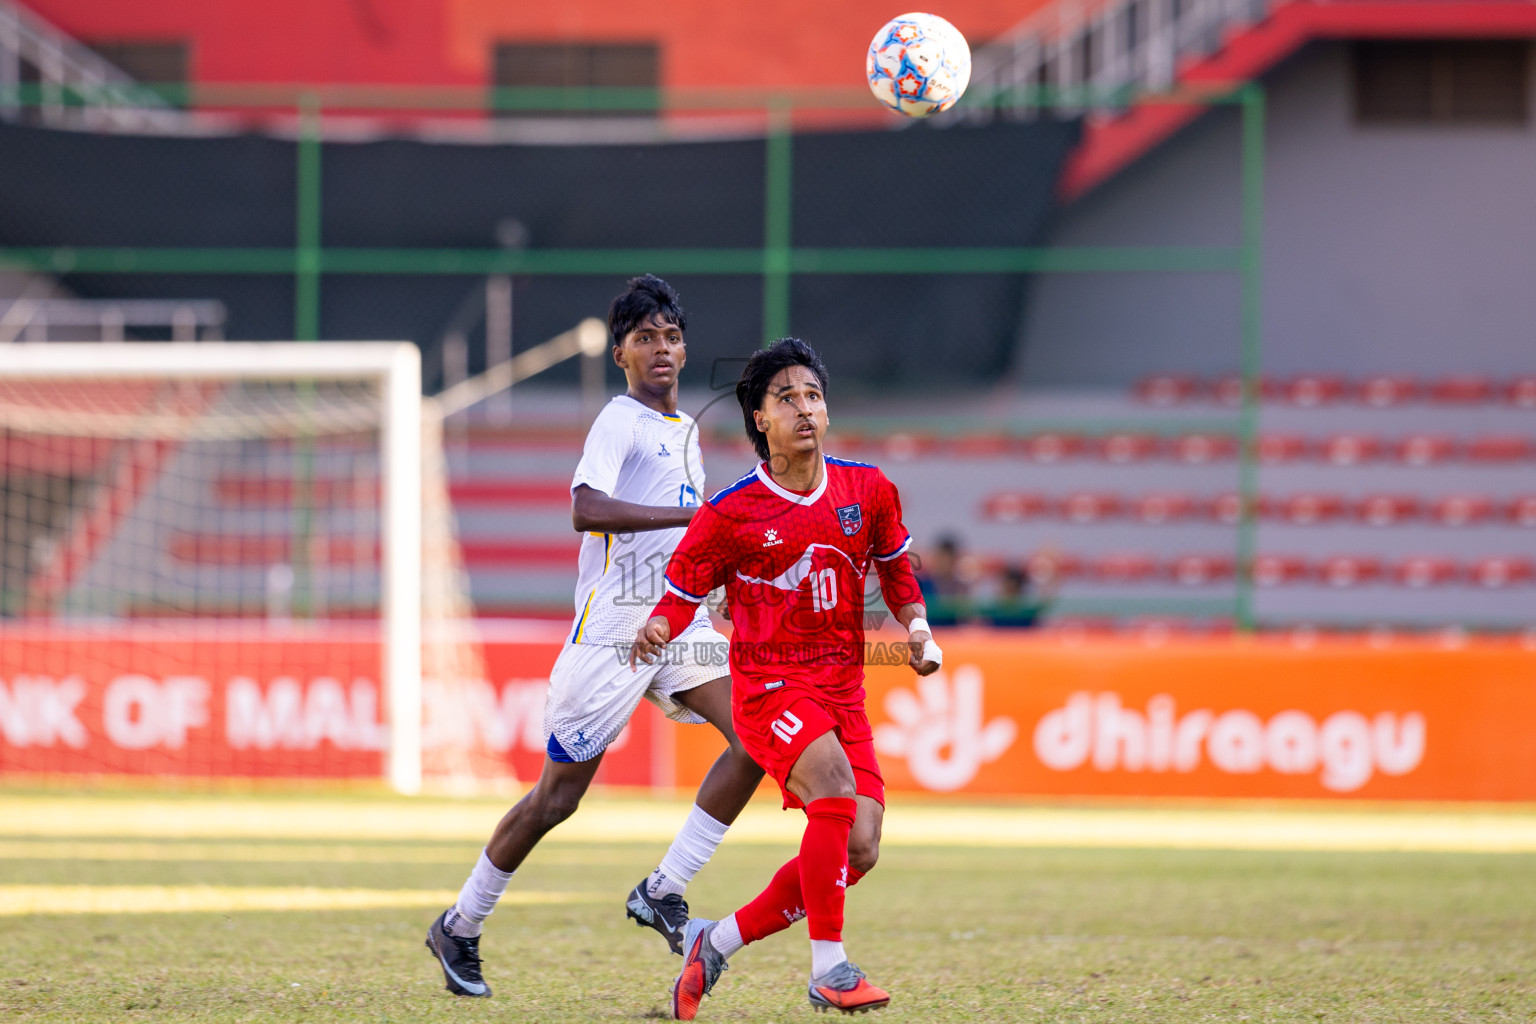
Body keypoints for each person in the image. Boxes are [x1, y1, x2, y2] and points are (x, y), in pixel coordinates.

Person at [425, 275, 764, 997]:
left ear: (684, 348)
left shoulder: (686, 431)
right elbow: (585, 509)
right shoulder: (619, 420)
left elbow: (686, 545)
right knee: (556, 800)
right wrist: (693, 520)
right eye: (645, 338)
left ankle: (663, 889)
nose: (661, 348)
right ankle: (460, 923)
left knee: (757, 739)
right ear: (621, 355)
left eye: (671, 336)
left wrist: (719, 584)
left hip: (674, 619)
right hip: (613, 629)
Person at [631, 338, 942, 1018]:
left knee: (859, 848)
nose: (804, 408)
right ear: (760, 419)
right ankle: (830, 969)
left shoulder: (868, 490)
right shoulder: (730, 513)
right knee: (832, 786)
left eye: (814, 396)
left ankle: (716, 940)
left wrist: (917, 629)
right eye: (787, 398)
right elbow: (681, 591)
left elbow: (896, 570)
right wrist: (657, 625)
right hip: (769, 687)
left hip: (843, 690)